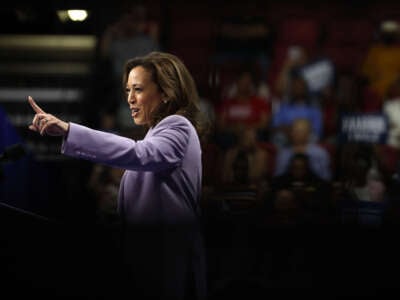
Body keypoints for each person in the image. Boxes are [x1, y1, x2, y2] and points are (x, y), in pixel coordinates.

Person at [28, 52, 207, 300]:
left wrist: (69, 130)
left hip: (169, 265)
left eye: (138, 89)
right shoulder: (156, 132)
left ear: (166, 92)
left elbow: (140, 154)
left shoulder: (178, 126)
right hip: (149, 264)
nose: (130, 99)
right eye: (127, 91)